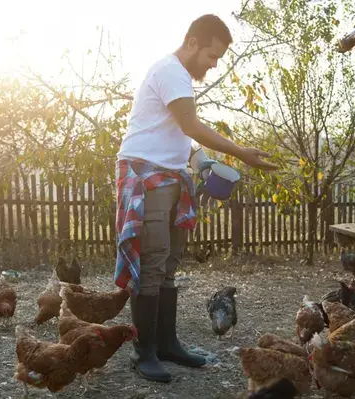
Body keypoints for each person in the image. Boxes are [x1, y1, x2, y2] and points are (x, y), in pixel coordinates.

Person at [114, 14, 277, 383]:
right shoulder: (170, 70)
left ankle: (168, 343)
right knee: (152, 263)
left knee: (168, 262)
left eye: (218, 58)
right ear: (191, 42)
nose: (214, 64)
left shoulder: (179, 78)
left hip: (170, 175)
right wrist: (240, 151)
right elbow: (190, 125)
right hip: (147, 175)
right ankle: (144, 353)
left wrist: (202, 162)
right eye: (211, 55)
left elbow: (177, 135)